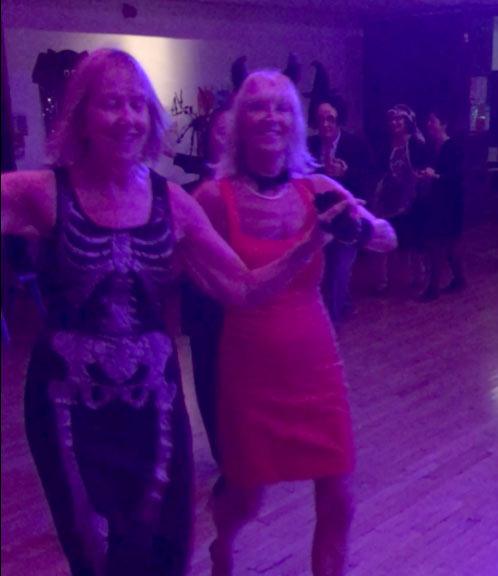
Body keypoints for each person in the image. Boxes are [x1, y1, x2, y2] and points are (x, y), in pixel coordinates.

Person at [1, 50, 343, 576]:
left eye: (138, 104)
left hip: (155, 405)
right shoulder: (43, 192)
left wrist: (309, 243)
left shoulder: (174, 204)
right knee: (95, 555)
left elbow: (241, 286)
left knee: (166, 548)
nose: (128, 117)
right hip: (67, 408)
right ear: (82, 115)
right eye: (111, 103)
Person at [194, 70, 396, 576]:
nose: (272, 116)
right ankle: (223, 545)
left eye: (282, 107)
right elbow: (208, 272)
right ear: (239, 122)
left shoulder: (317, 189)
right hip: (249, 365)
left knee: (339, 494)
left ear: (296, 123)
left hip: (316, 363)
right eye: (258, 107)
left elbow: (387, 237)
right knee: (246, 495)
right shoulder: (215, 198)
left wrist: (360, 228)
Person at [307, 93, 371, 324]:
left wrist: (346, 174)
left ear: (339, 119)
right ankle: (342, 305)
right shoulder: (309, 146)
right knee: (323, 274)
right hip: (319, 221)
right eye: (320, 119)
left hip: (348, 222)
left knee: (338, 271)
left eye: (330, 119)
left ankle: (330, 327)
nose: (325, 124)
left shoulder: (356, 145)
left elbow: (367, 183)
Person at [373, 104, 429, 292]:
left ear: (408, 121)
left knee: (411, 241)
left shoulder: (416, 144)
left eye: (399, 119)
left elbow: (423, 169)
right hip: (388, 198)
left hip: (411, 199)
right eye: (392, 119)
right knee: (385, 238)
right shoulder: (385, 144)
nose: (395, 122)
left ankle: (417, 277)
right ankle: (382, 281)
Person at [417, 110, 466, 301]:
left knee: (437, 244)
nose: (429, 124)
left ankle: (433, 288)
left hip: (450, 204)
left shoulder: (453, 147)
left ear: (443, 124)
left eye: (432, 121)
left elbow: (457, 177)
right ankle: (459, 280)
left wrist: (435, 176)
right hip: (437, 202)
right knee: (449, 245)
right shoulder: (433, 147)